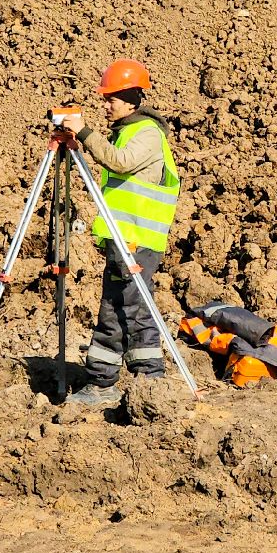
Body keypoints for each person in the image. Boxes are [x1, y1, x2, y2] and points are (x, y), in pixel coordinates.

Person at [59, 59, 181, 406]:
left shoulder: (147, 133)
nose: (106, 104)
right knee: (113, 307)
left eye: (111, 98)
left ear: (130, 99)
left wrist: (84, 132)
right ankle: (102, 382)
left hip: (139, 240)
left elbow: (120, 161)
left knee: (134, 308)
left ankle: (151, 384)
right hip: (122, 239)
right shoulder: (127, 130)